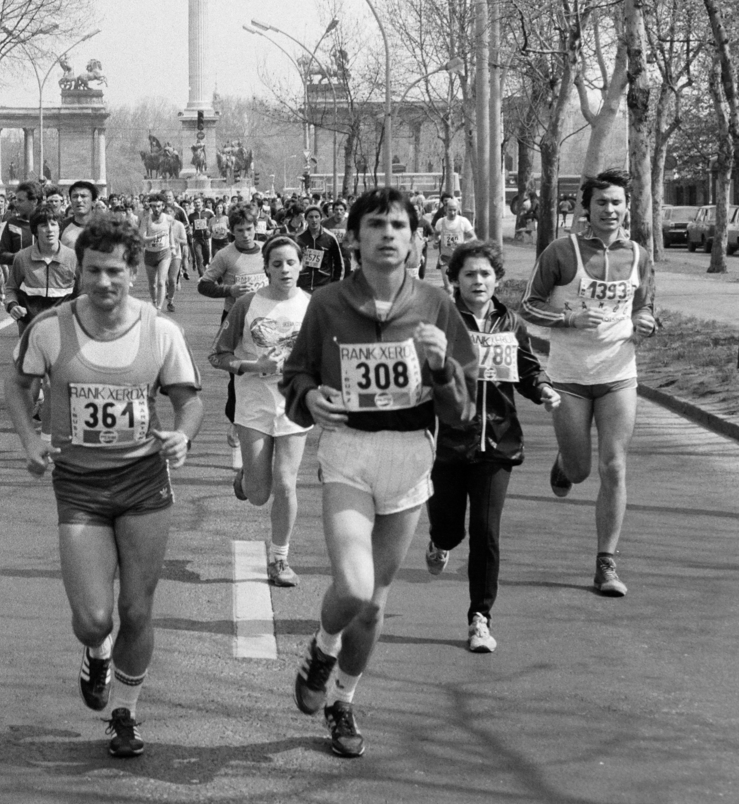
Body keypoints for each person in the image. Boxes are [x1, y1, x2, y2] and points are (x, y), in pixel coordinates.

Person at [279, 186, 476, 758]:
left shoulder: (436, 305)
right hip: (348, 453)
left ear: (417, 239)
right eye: (375, 225)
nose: (388, 234)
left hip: (410, 454)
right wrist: (309, 396)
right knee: (354, 586)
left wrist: (440, 367)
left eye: (398, 225)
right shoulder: (328, 303)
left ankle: (342, 698)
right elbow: (297, 374)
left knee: (376, 603)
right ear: (355, 238)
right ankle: (321, 646)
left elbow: (462, 408)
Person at [4, 214, 202, 759]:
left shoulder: (161, 332)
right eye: (93, 271)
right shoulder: (49, 329)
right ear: (79, 270)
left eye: (115, 271)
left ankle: (127, 714)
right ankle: (96, 652)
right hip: (80, 486)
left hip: (142, 481)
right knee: (94, 617)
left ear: (134, 272)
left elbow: (188, 399)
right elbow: (18, 385)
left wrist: (183, 436)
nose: (104, 282)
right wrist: (30, 440)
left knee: (137, 610)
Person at [520, 168, 656, 597]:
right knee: (580, 471)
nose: (610, 210)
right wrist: (569, 318)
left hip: (618, 372)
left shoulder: (639, 254)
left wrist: (647, 321)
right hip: (570, 376)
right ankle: (564, 463)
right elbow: (528, 306)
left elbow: (645, 307)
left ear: (627, 207)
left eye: (617, 202)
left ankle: (606, 564)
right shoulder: (561, 252)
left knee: (613, 466)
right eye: (601, 203)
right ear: (586, 208)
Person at [426, 240, 560, 652]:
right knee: (451, 528)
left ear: (497, 278)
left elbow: (527, 368)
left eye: (485, 274)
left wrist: (543, 390)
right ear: (455, 280)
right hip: (449, 442)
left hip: (498, 442)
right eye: (469, 274)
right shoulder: (442, 321)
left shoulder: (511, 323)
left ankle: (479, 618)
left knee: (486, 532)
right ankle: (439, 541)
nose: (478, 281)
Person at [210, 235, 312, 586]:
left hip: (293, 403)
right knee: (259, 495)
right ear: (266, 267)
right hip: (253, 401)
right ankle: (246, 479)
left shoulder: (312, 306)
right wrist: (254, 366)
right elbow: (218, 355)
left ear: (301, 265)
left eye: (291, 262)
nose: (285, 269)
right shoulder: (246, 304)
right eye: (277, 263)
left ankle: (280, 559)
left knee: (286, 483)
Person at [199, 207, 267, 485]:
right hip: (235, 320)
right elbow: (204, 286)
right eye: (240, 231)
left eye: (250, 229)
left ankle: (262, 435)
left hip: (265, 319)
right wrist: (229, 291)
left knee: (264, 373)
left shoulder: (267, 250)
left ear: (256, 227)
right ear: (232, 231)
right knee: (237, 374)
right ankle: (236, 427)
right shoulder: (225, 255)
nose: (246, 235)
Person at [7, 208, 78, 329]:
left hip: (64, 327)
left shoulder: (73, 257)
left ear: (59, 228)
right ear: (35, 230)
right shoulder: (22, 257)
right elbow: (11, 288)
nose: (49, 229)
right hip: (30, 327)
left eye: (53, 224)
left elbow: (85, 291)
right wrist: (12, 306)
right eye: (44, 225)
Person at [430, 197, 477, 288]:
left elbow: (473, 237)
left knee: (459, 286)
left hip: (459, 258)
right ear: (445, 209)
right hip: (445, 258)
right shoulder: (441, 222)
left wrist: (464, 243)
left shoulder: (463, 221)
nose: (452, 213)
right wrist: (436, 241)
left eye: (454, 210)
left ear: (458, 209)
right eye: (450, 210)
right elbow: (436, 234)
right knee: (448, 287)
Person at [294, 205, 344, 291]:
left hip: (323, 285)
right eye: (311, 217)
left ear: (321, 218)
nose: (314, 220)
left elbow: (339, 263)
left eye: (316, 217)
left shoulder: (330, 237)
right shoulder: (298, 238)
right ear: (306, 219)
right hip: (303, 286)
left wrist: (336, 284)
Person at [140, 196, 176, 310]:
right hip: (150, 253)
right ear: (150, 206)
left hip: (164, 252)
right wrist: (156, 236)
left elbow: (170, 233)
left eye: (159, 206)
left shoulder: (169, 219)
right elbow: (143, 238)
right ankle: (154, 302)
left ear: (163, 206)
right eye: (154, 206)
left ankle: (159, 308)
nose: (156, 209)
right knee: (152, 284)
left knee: (161, 282)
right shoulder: (146, 219)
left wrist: (173, 247)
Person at [61, 180, 98, 249]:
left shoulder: (105, 228)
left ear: (94, 202)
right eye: (75, 196)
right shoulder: (61, 227)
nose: (79, 200)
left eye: (83, 196)